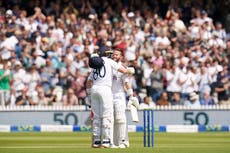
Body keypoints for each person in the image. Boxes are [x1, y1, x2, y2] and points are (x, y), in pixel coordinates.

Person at [86, 47, 134, 148]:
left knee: (96, 116)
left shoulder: (95, 64)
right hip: (105, 90)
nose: (112, 55)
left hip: (94, 90)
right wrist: (129, 71)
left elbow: (89, 81)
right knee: (107, 115)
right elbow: (122, 70)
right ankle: (107, 140)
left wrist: (89, 94)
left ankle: (97, 140)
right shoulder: (109, 61)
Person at [111, 48, 139, 148]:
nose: (114, 56)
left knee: (120, 119)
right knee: (110, 120)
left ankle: (124, 141)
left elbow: (126, 83)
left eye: (117, 55)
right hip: (108, 96)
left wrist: (131, 95)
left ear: (121, 57)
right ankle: (113, 142)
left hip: (119, 96)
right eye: (113, 54)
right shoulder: (108, 66)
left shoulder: (123, 68)